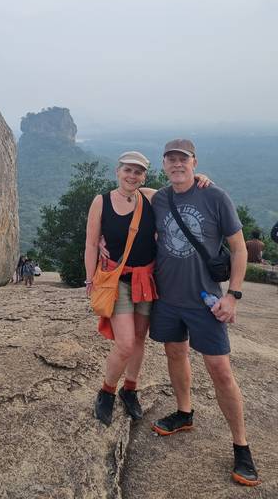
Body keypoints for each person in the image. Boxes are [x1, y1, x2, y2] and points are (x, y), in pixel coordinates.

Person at [149, 139, 259, 486]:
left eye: (183, 160)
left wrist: (233, 296)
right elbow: (128, 195)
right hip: (167, 298)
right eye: (171, 160)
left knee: (221, 371)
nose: (177, 165)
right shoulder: (160, 197)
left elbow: (239, 249)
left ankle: (241, 446)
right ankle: (184, 412)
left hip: (205, 300)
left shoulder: (215, 197)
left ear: (194, 162)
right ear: (164, 164)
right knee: (175, 352)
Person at [85, 151, 210, 425]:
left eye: (138, 172)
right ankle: (106, 391)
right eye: (128, 170)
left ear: (144, 176)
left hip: (146, 279)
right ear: (117, 171)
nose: (132, 176)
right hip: (117, 281)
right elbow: (92, 244)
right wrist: (89, 279)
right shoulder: (102, 201)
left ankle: (130, 389)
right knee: (126, 343)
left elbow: (181, 189)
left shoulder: (151, 197)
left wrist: (197, 177)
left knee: (139, 339)